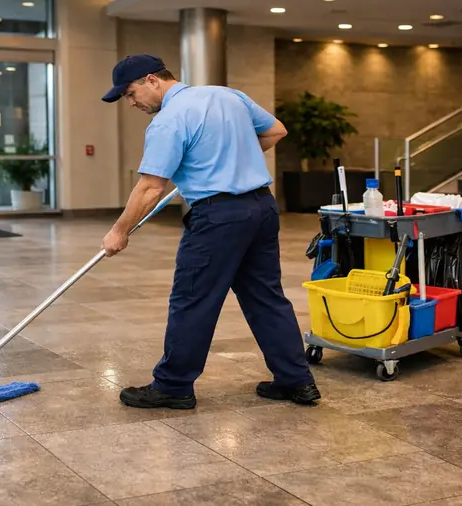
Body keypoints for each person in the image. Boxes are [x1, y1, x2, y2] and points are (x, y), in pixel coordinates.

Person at [100, 53, 321, 410]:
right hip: (261, 209)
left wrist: (119, 231)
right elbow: (276, 130)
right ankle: (297, 381)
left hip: (218, 217)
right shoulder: (228, 96)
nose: (131, 103)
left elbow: (150, 188)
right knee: (266, 296)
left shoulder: (168, 121)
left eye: (130, 93)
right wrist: (236, 156)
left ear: (152, 80)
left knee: (193, 300)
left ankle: (172, 386)